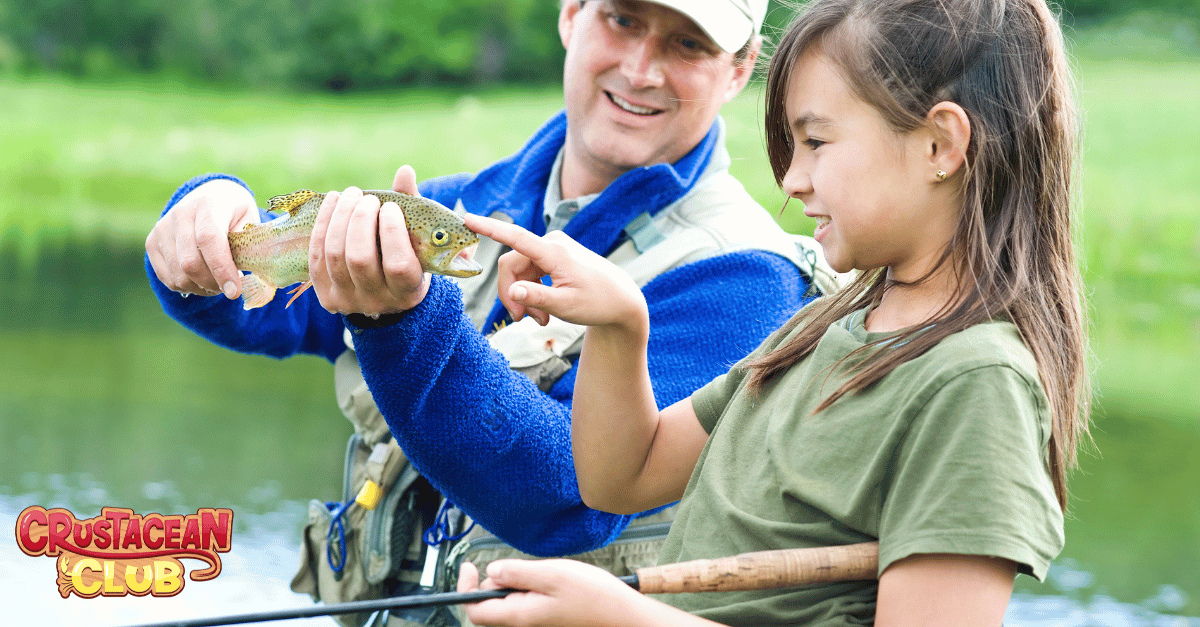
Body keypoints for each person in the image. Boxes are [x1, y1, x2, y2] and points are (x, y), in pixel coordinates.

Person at [452, 0, 1092, 624]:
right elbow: (623, 476)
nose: (792, 180)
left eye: (816, 140)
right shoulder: (825, 326)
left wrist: (623, 619)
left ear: (940, 144)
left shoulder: (977, 382)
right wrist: (618, 322)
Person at [144, 0, 837, 573]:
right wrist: (203, 226)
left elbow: (568, 494)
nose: (640, 69)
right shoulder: (470, 202)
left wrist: (404, 320)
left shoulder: (748, 278)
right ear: (572, 15)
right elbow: (264, 313)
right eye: (622, 20)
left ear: (740, 69)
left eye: (687, 44)